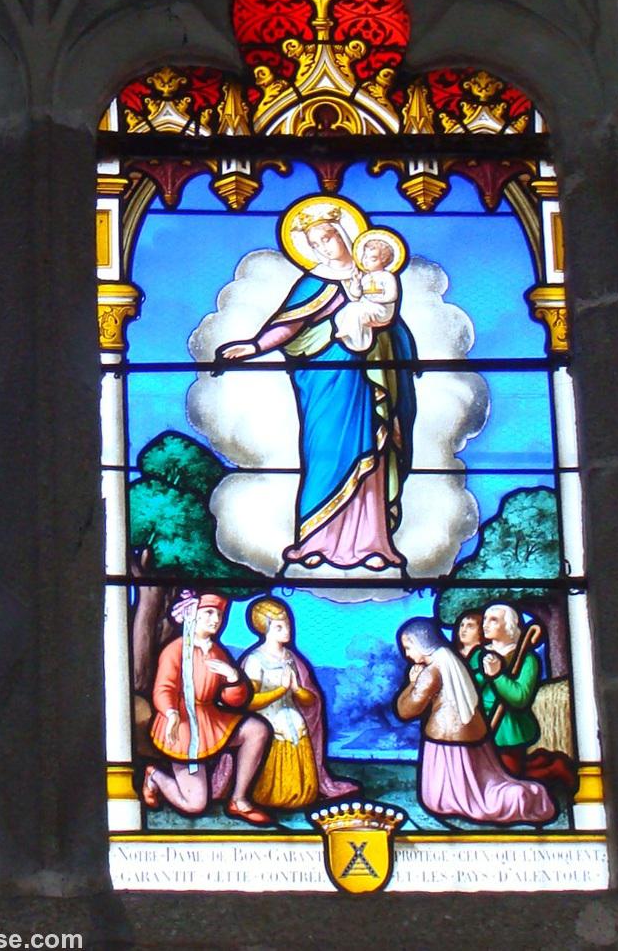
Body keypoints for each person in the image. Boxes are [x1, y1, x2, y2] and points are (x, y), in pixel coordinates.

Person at [216, 198, 418, 573]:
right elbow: (288, 325)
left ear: (345, 235)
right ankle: (314, 540)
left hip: (365, 378)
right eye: (315, 243)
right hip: (323, 378)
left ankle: (373, 543)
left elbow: (391, 324)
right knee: (323, 452)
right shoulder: (312, 283)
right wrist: (254, 345)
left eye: (328, 236)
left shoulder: (372, 279)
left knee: (372, 451)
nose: (324, 246)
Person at [393, 617, 555, 826]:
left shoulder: (433, 670)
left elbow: (406, 710)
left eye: (408, 647)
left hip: (446, 746)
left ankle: (511, 799)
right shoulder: (453, 662)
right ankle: (514, 795)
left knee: (439, 801)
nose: (407, 654)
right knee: (483, 790)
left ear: (422, 644)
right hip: (474, 743)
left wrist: (411, 683)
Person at [141, 591, 272, 825]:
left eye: (220, 615)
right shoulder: (175, 650)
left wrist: (233, 678)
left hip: (211, 720)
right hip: (182, 727)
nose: (216, 620)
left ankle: (239, 800)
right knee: (194, 805)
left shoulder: (217, 652)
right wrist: (170, 713)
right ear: (192, 615)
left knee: (257, 730)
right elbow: (163, 688)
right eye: (209, 612)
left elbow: (234, 701)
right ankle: (155, 776)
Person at [239, 598, 357, 811]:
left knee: (296, 729)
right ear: (264, 629)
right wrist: (279, 691)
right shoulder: (256, 660)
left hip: (295, 721)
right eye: (279, 626)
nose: (287, 630)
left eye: (288, 624)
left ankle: (304, 793)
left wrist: (296, 690)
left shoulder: (291, 658)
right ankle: (271, 796)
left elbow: (311, 700)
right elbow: (248, 702)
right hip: (267, 724)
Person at [472, 602, 578, 796]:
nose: (485, 624)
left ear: (509, 626)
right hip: (479, 727)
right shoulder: (479, 655)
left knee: (508, 778)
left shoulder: (527, 660)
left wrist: (497, 676)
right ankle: (543, 762)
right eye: (485, 619)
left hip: (509, 729)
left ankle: (554, 768)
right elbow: (469, 688)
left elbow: (520, 698)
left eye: (493, 620)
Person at [334, 230, 402, 354]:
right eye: (365, 256)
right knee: (346, 310)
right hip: (367, 306)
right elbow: (355, 297)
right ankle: (349, 335)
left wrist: (375, 299)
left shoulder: (387, 276)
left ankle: (360, 342)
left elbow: (392, 295)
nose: (366, 260)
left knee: (356, 310)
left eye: (373, 258)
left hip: (381, 310)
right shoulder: (364, 277)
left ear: (384, 260)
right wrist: (356, 283)